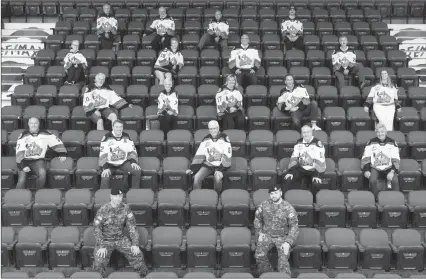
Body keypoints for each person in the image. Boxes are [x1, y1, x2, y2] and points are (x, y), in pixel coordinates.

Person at [93, 186, 149, 278]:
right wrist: (101, 246)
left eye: (120, 196)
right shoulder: (103, 209)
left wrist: (135, 244)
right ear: (111, 196)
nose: (118, 198)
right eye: (116, 196)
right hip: (105, 240)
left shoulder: (126, 208)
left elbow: (132, 227)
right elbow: (96, 228)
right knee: (99, 260)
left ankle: (143, 276)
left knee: (137, 255)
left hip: (120, 239)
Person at [254, 185, 299, 276]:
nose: (273, 195)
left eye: (276, 193)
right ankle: (268, 275)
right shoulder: (264, 205)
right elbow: (257, 219)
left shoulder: (288, 208)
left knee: (283, 262)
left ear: (281, 193)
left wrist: (288, 242)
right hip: (267, 235)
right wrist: (260, 233)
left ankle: (284, 277)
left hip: (282, 237)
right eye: (271, 193)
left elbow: (294, 226)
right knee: (259, 255)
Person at [15, 117, 67, 190]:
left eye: (35, 123)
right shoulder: (23, 135)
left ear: (39, 124)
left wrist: (62, 154)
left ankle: (38, 193)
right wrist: (23, 165)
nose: (33, 125)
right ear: (28, 124)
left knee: (42, 173)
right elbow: (19, 151)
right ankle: (17, 197)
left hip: (38, 161)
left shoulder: (46, 134)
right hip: (24, 160)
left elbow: (56, 142)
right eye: (31, 123)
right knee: (21, 180)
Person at [186, 120, 232, 193]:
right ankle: (196, 195)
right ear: (209, 129)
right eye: (211, 129)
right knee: (197, 177)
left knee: (217, 178)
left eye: (215, 128)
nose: (213, 131)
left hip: (221, 165)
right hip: (208, 164)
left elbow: (228, 155)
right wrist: (192, 168)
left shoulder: (224, 138)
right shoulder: (205, 139)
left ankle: (217, 196)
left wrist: (220, 170)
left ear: (218, 128)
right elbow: (200, 154)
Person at [99, 120, 141, 190]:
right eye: (117, 127)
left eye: (121, 127)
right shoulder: (106, 137)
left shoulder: (126, 136)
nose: (119, 129)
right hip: (110, 164)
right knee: (105, 175)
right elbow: (102, 154)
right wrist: (105, 167)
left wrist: (133, 162)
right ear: (113, 127)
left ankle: (134, 193)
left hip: (123, 163)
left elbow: (132, 150)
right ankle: (103, 196)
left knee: (137, 170)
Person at [361, 123, 400, 198]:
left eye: (382, 132)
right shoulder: (371, 142)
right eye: (378, 132)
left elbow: (396, 158)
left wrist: (392, 171)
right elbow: (366, 157)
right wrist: (366, 170)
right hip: (375, 167)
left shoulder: (392, 142)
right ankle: (376, 199)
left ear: (385, 132)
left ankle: (397, 199)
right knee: (372, 180)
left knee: (394, 181)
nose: (380, 134)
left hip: (389, 167)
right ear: (376, 132)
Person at [284, 125, 326, 194]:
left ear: (311, 132)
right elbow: (294, 157)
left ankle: (314, 202)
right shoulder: (299, 142)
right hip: (301, 168)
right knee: (287, 178)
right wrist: (291, 172)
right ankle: (284, 200)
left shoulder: (317, 143)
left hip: (314, 169)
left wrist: (317, 175)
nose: (306, 134)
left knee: (316, 183)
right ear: (301, 133)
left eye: (308, 132)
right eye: (304, 132)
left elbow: (320, 160)